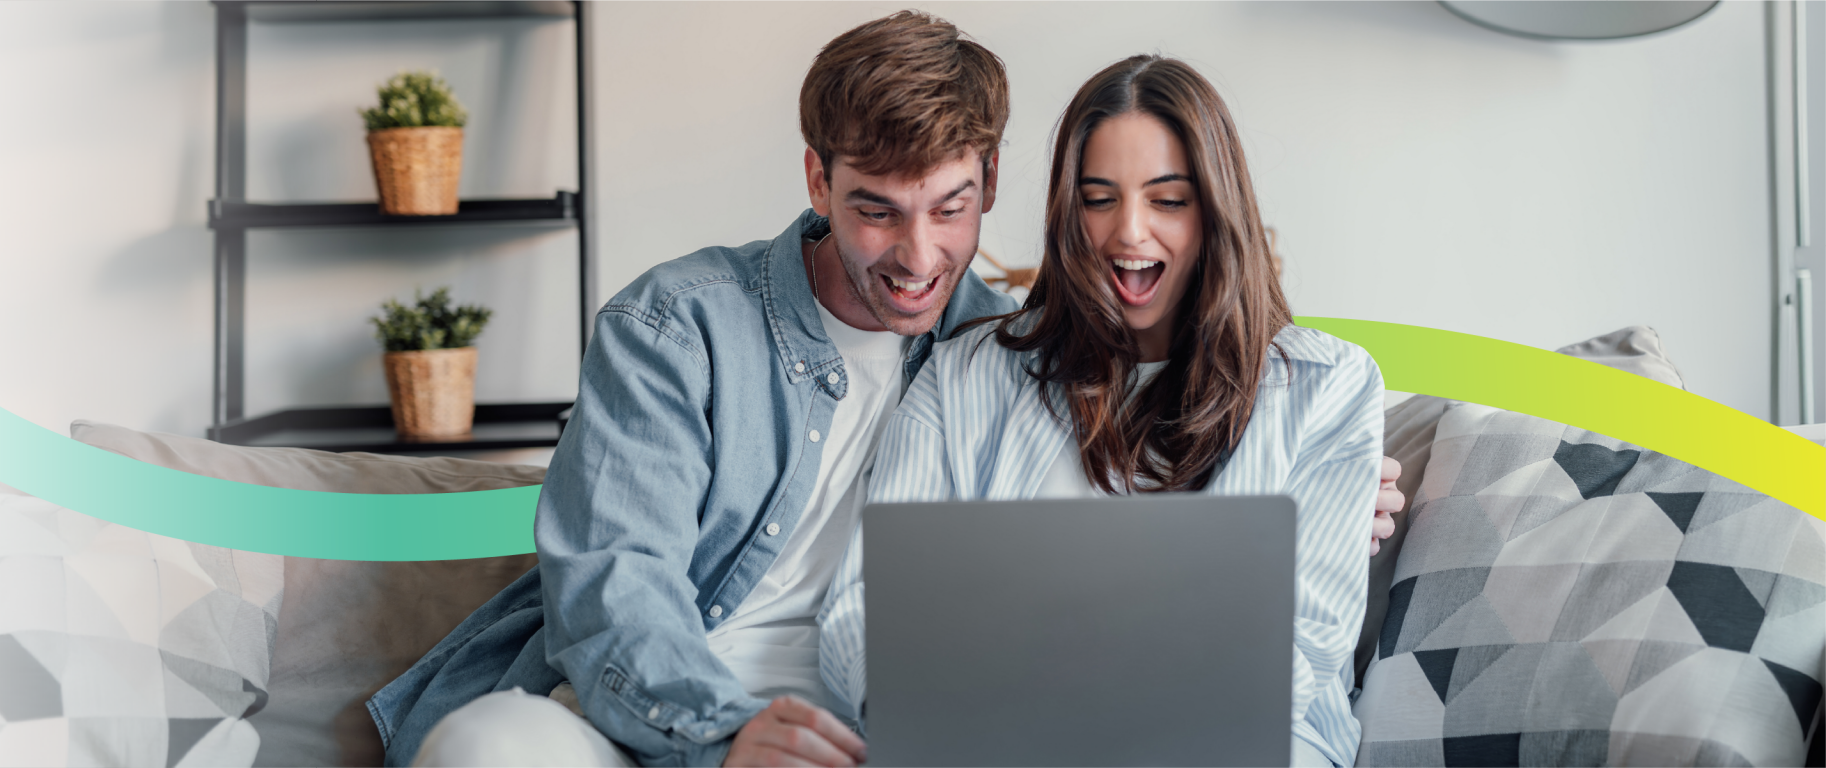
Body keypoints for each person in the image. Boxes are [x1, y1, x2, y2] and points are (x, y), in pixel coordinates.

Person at [366, 15, 1403, 768]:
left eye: (949, 208)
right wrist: (720, 736)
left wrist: (1328, 491)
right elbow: (613, 590)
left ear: (990, 184)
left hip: (869, 735)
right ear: (816, 181)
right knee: (490, 750)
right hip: (665, 715)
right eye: (875, 212)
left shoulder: (994, 347)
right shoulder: (677, 326)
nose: (917, 257)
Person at [833, 55, 1384, 768]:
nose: (1129, 233)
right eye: (1098, 198)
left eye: (1168, 199)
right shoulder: (969, 375)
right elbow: (867, 600)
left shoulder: (1326, 384)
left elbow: (1300, 651)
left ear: (1217, 207)